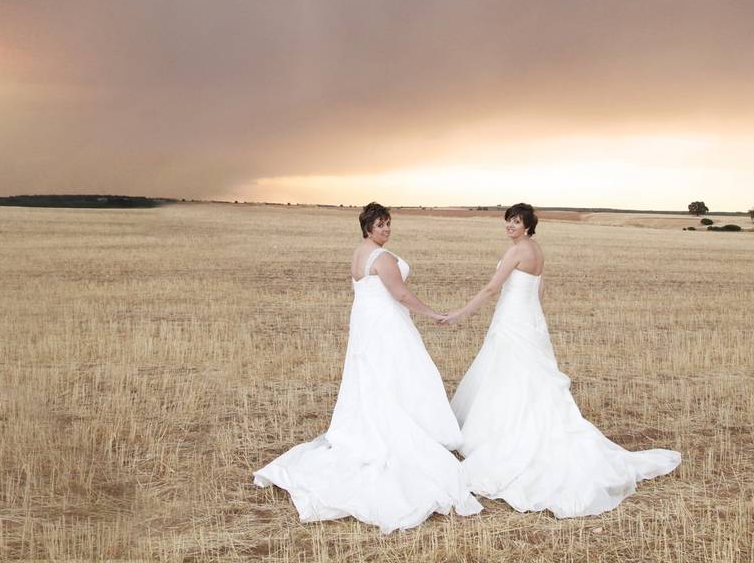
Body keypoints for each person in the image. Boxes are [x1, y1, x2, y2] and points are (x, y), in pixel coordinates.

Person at [253, 202, 482, 533]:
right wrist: (434, 314)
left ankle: (375, 426)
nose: (386, 229)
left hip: (367, 325)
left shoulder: (358, 254)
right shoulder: (383, 258)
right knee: (403, 377)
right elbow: (400, 294)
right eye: (380, 225)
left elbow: (362, 293)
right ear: (367, 228)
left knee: (374, 379)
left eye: (388, 223)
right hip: (386, 325)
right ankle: (403, 433)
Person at [440, 203, 681, 517]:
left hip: (514, 321)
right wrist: (529, 315)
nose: (510, 226)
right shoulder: (537, 250)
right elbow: (540, 287)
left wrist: (460, 314)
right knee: (523, 375)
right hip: (526, 319)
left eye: (516, 222)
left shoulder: (516, 251)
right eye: (508, 220)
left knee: (509, 374)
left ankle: (504, 436)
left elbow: (491, 288)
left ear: (527, 226)